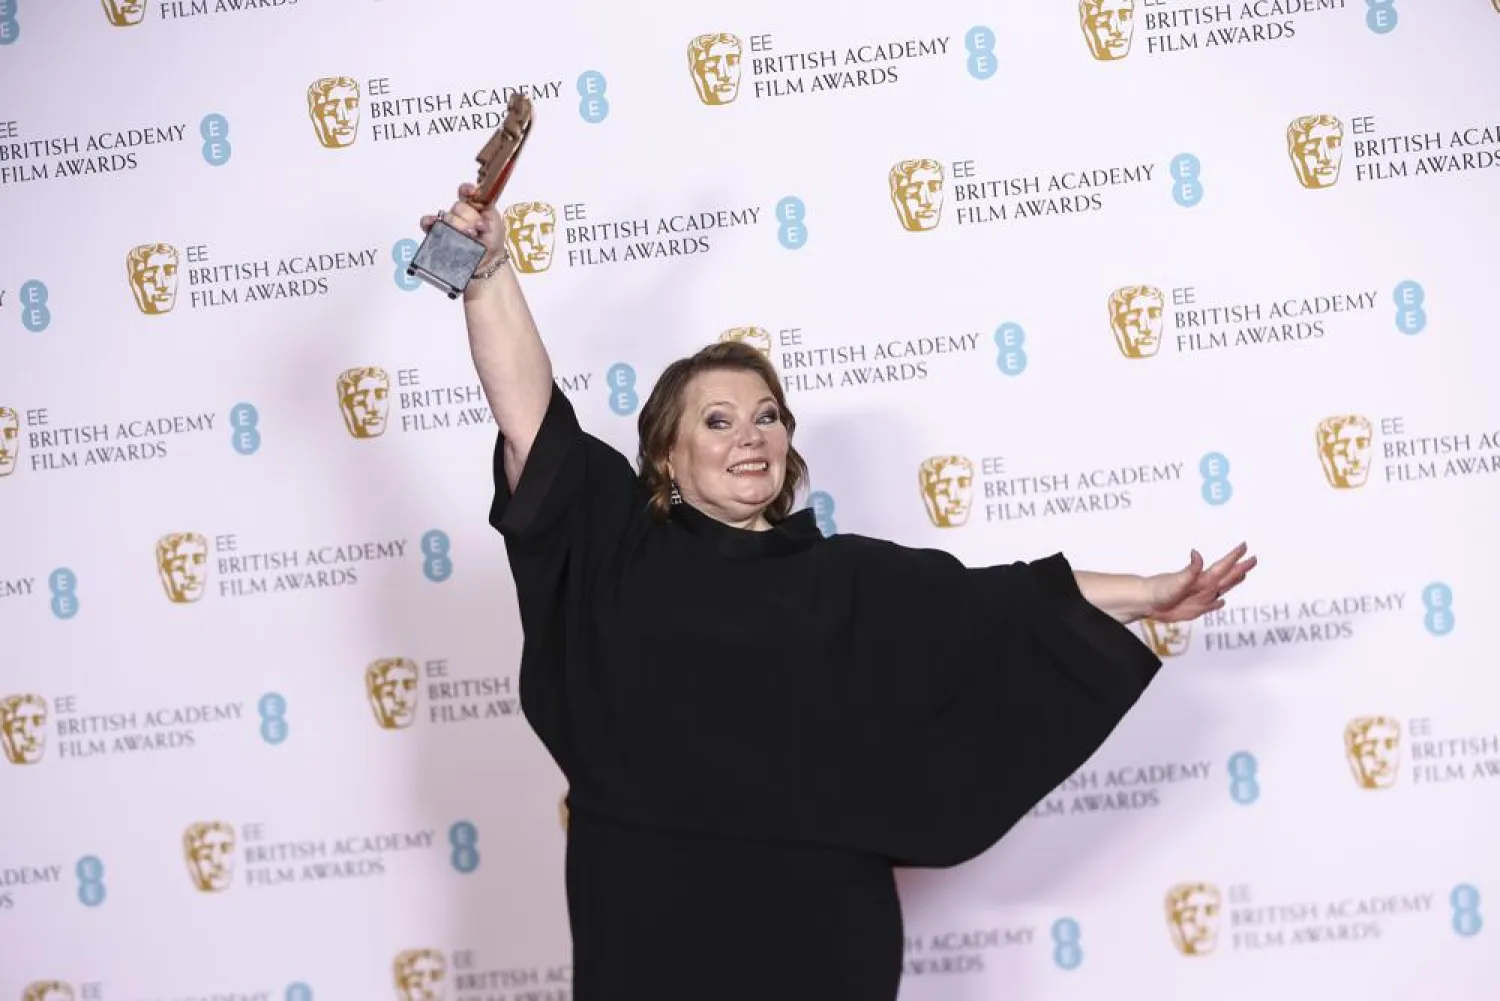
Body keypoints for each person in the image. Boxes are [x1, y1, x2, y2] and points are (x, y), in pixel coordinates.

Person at [421, 184, 1256, 1000]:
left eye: (768, 416)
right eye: (717, 421)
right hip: (648, 912)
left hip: (823, 926)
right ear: (668, 458)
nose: (750, 436)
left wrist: (1147, 592)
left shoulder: (852, 577)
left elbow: (1009, 603)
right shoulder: (617, 546)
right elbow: (532, 415)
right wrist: (490, 270)